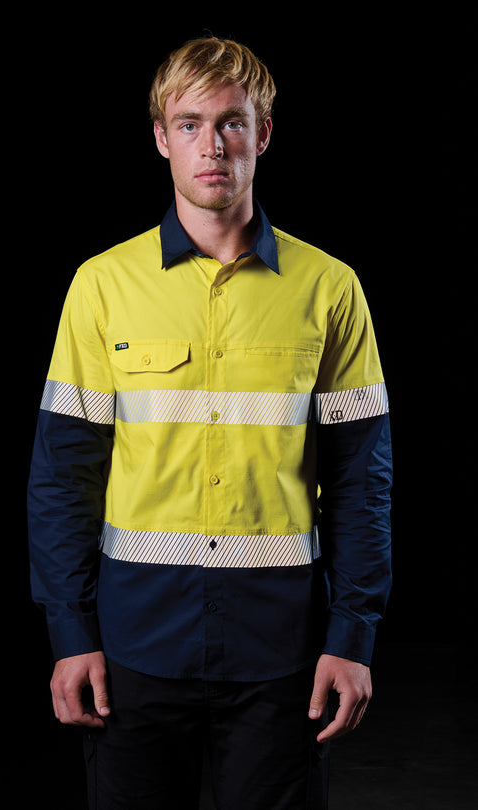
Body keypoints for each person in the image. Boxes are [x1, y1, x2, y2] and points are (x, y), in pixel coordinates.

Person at [27, 36, 392, 810]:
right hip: (134, 647)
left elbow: (362, 480)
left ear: (264, 134)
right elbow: (62, 477)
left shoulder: (331, 289)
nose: (213, 145)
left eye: (232, 122)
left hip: (283, 655)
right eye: (190, 124)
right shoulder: (101, 286)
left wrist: (353, 637)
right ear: (162, 138)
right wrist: (70, 633)